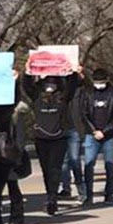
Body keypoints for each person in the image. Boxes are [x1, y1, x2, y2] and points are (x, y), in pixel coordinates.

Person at [23, 71, 78, 216]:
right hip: (41, 138)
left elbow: (72, 86)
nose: (50, 87)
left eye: (53, 84)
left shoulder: (63, 98)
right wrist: (27, 72)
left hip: (59, 138)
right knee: (46, 169)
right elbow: (27, 86)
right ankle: (49, 194)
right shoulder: (37, 98)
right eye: (47, 84)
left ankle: (52, 198)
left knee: (55, 169)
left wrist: (71, 71)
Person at [73, 67, 113, 205]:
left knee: (109, 165)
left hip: (110, 135)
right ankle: (88, 195)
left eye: (101, 81)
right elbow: (83, 113)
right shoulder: (88, 92)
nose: (99, 84)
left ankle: (109, 194)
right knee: (89, 165)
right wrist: (93, 130)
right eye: (97, 81)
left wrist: (105, 131)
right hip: (92, 134)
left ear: (107, 80)